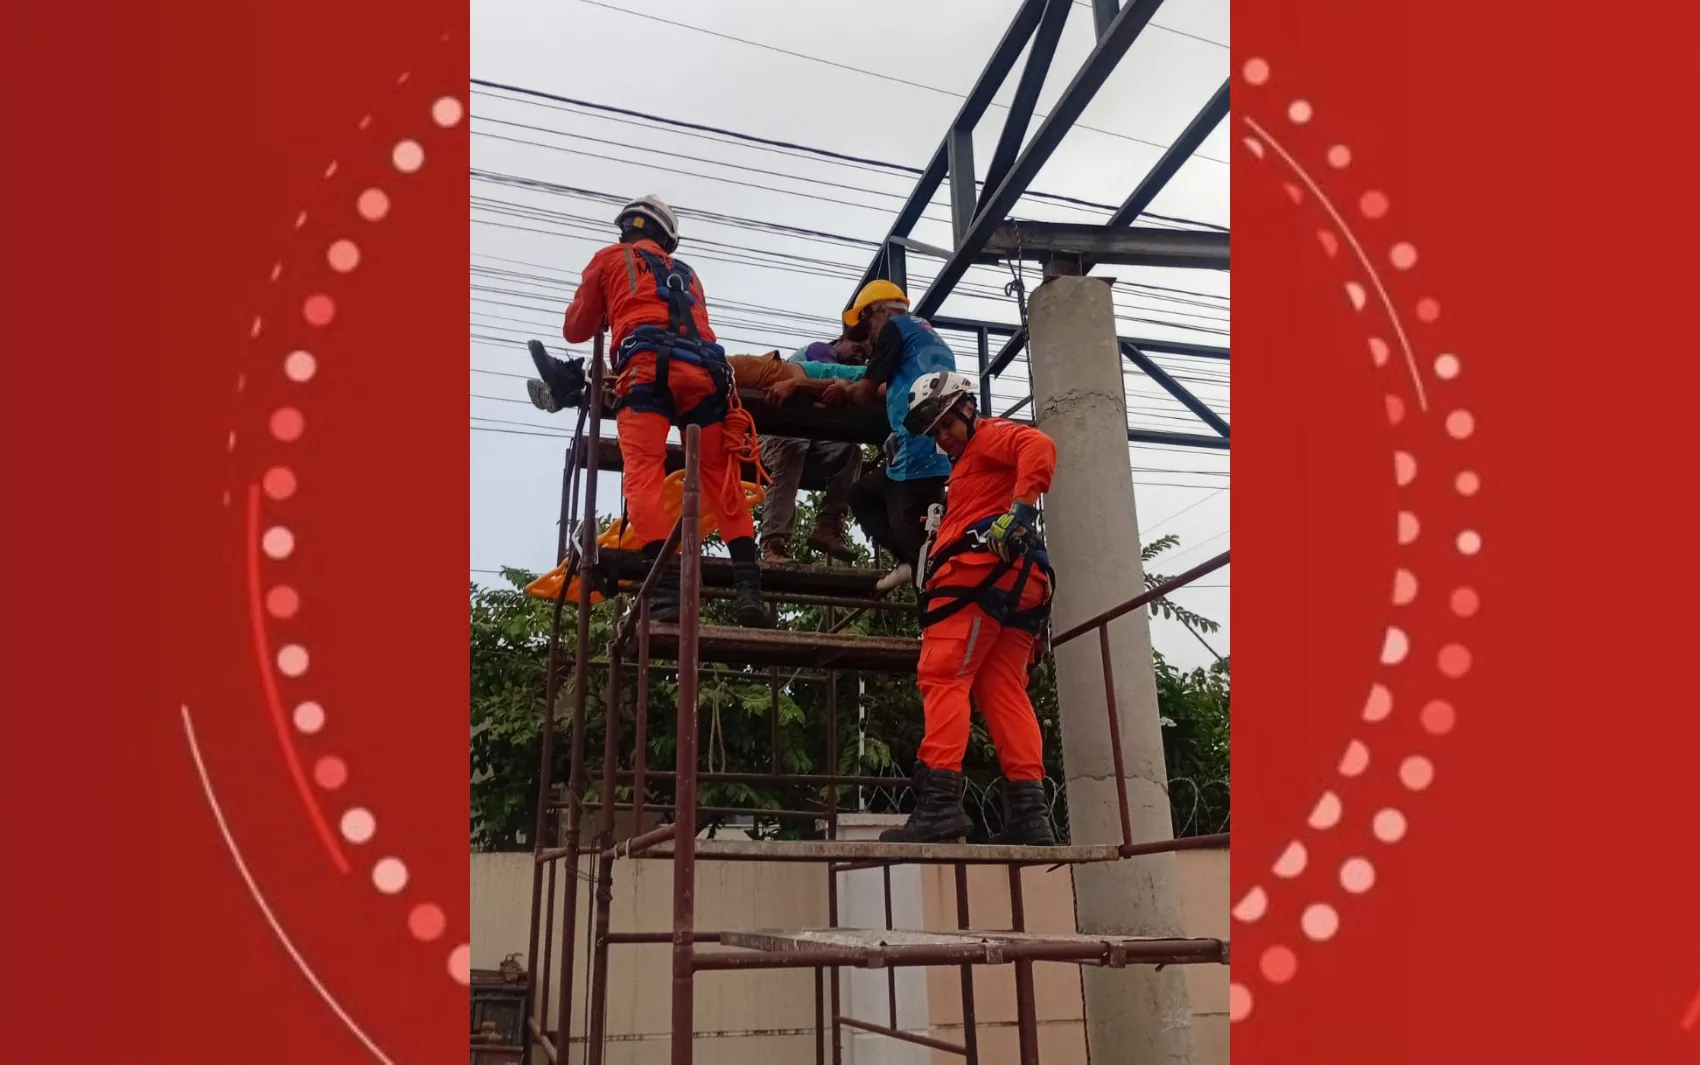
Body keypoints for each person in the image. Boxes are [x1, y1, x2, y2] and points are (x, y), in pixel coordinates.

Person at [557, 194, 769, 628]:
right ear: (667, 239)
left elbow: (576, 329)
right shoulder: (688, 274)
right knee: (722, 480)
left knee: (644, 474)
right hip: (704, 374)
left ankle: (667, 593)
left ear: (626, 231)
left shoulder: (610, 258)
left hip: (646, 372)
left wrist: (605, 309)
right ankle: (750, 591)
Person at [879, 371, 1058, 847]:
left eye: (946, 424)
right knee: (1003, 691)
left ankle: (939, 803)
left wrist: (1020, 512)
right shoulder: (967, 466)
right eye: (934, 431)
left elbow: (1038, 445)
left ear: (966, 407)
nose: (942, 437)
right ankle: (1031, 815)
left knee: (942, 676)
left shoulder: (989, 437)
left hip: (978, 576)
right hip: (1020, 584)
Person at [832, 281, 955, 592]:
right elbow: (896, 384)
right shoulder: (925, 334)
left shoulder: (894, 328)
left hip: (915, 449)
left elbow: (864, 392)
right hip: (930, 448)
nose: (869, 337)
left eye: (867, 326)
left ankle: (932, 595)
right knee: (863, 495)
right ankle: (908, 563)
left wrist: (844, 390)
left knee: (918, 541)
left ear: (881, 310)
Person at [756, 336, 869, 564]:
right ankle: (773, 543)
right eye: (856, 346)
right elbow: (825, 380)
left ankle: (829, 526)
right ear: (840, 341)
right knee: (793, 447)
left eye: (864, 355)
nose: (859, 355)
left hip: (808, 438)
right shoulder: (821, 351)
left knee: (849, 452)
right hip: (772, 431)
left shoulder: (847, 372)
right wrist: (842, 385)